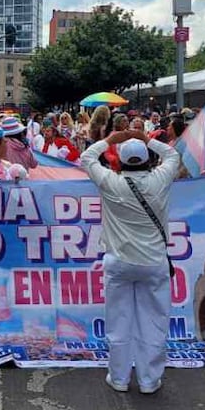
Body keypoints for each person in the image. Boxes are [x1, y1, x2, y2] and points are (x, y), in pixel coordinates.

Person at [80, 128, 180, 395]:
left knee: (118, 323)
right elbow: (172, 154)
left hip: (119, 261)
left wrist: (109, 140)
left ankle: (120, 378)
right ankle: (149, 380)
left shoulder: (111, 182)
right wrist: (148, 139)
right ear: (148, 159)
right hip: (153, 261)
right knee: (153, 322)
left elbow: (87, 158)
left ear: (120, 161)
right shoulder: (159, 180)